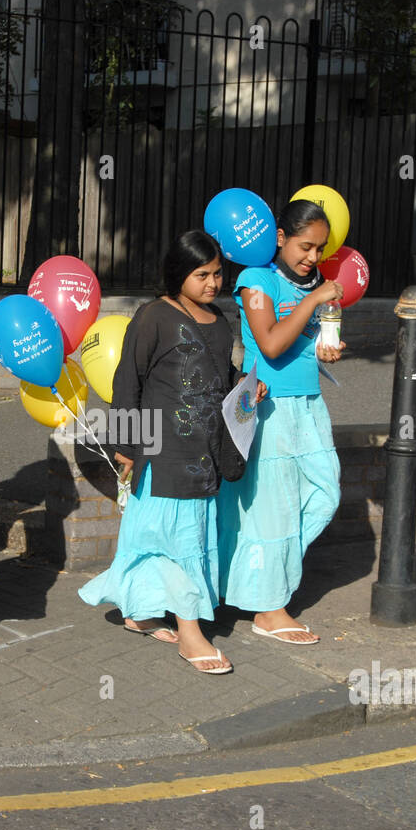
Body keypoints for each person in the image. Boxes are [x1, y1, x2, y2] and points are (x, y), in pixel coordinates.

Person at [79, 230, 265, 674]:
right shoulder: (154, 317)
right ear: (179, 273)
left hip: (205, 450)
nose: (213, 283)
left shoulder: (219, 320)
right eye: (202, 274)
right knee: (180, 541)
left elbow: (221, 374)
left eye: (218, 273)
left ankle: (140, 611)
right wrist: (126, 446)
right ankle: (190, 633)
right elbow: (128, 381)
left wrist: (247, 385)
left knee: (163, 538)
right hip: (162, 452)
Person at [217, 199, 346, 644]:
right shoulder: (257, 280)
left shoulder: (313, 285)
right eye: (305, 246)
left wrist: (326, 348)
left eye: (320, 249)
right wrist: (313, 300)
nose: (312, 257)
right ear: (280, 238)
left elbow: (305, 344)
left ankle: (256, 576)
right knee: (273, 509)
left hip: (309, 404)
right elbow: (270, 345)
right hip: (269, 406)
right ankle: (269, 609)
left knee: (325, 492)